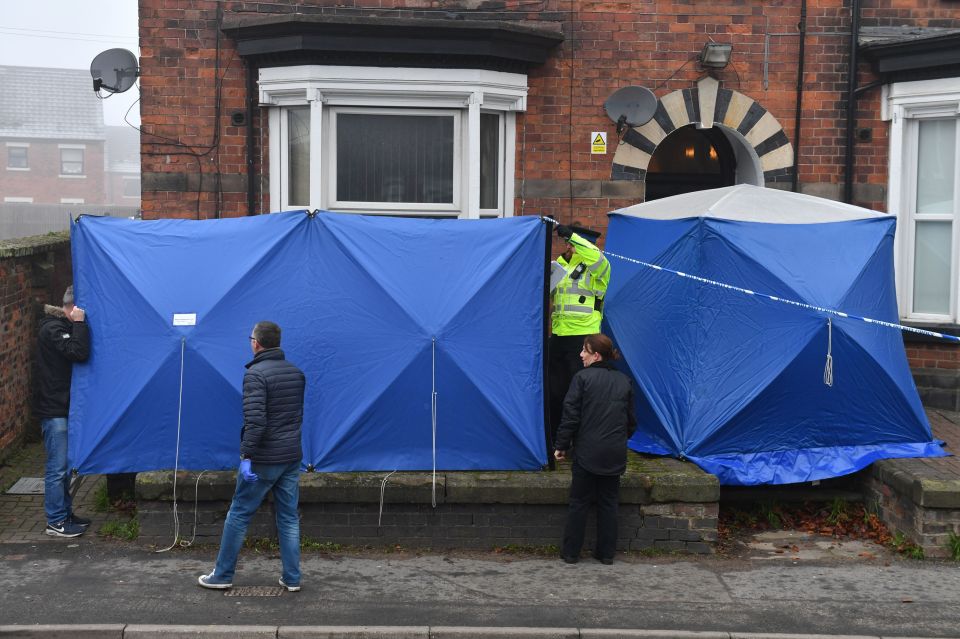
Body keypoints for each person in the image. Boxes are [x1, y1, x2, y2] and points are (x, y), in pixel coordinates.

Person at [199, 321, 306, 591]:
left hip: (263, 459)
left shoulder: (256, 375)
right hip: (291, 457)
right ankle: (292, 578)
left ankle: (222, 575)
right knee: (289, 517)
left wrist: (247, 456)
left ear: (256, 343)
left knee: (239, 514)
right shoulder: (296, 373)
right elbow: (294, 417)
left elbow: (256, 421)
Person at [554, 333, 636, 565]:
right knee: (609, 504)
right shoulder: (624, 381)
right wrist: (619, 439)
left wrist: (561, 445)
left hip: (586, 453)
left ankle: (571, 553)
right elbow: (631, 422)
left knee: (579, 503)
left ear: (596, 355)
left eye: (584, 350)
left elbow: (570, 417)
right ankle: (606, 554)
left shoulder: (582, 378)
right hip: (614, 453)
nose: (580, 354)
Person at [36, 285, 91, 538]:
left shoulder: (62, 327)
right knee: (57, 468)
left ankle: (65, 514)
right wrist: (79, 324)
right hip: (54, 409)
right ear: (71, 308)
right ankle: (55, 521)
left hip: (62, 407)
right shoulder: (53, 329)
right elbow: (77, 352)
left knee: (66, 467)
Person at [549, 223, 611, 446]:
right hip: (558, 337)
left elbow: (595, 257)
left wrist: (575, 238)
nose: (568, 246)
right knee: (555, 392)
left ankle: (580, 443)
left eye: (572, 242)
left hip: (585, 339)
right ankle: (557, 440)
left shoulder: (599, 268)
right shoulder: (559, 267)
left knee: (580, 395)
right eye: (567, 242)